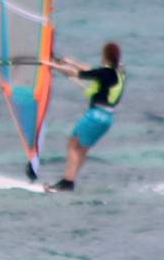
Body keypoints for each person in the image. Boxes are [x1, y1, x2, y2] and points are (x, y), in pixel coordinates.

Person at [43, 41, 126, 192]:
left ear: (105, 56)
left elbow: (78, 74)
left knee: (73, 145)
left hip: (95, 115)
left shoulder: (105, 73)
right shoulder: (117, 74)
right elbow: (91, 71)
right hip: (107, 118)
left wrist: (50, 65)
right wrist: (71, 62)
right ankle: (69, 182)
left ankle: (67, 182)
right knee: (82, 149)